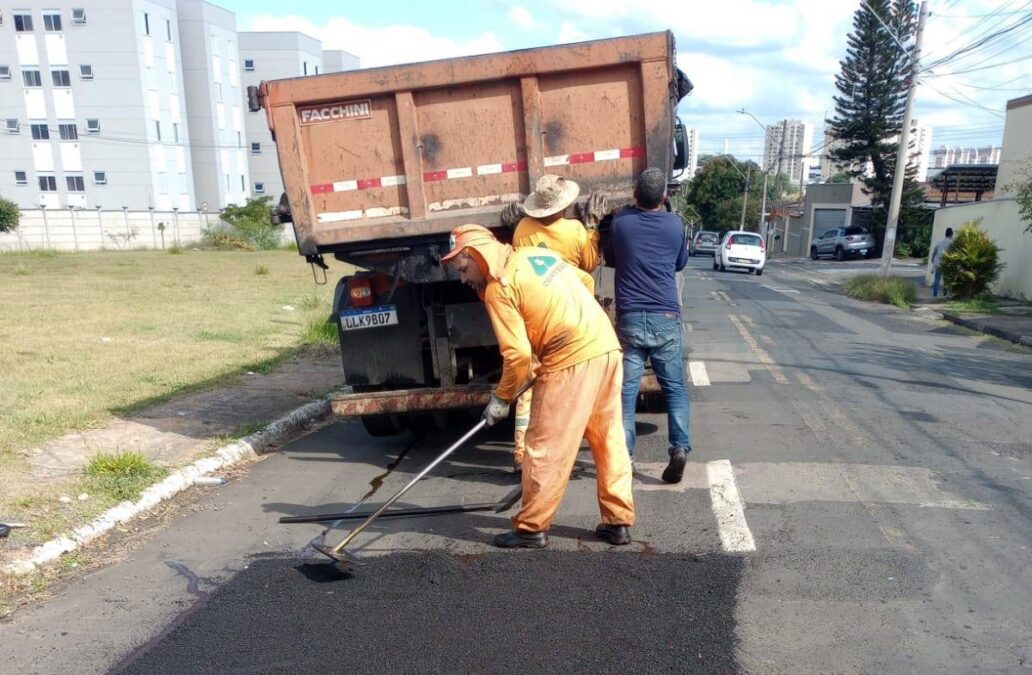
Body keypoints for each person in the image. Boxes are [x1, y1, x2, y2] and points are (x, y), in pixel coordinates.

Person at [441, 224, 635, 548]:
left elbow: (516, 356)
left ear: (476, 255)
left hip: (571, 359)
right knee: (608, 439)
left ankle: (531, 527)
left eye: (463, 269)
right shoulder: (534, 257)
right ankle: (618, 522)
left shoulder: (499, 288)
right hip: (606, 347)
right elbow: (585, 281)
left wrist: (501, 399)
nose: (463, 279)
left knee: (545, 445)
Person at [502, 175, 606, 475]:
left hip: (536, 315)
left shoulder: (521, 229)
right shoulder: (574, 230)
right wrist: (592, 225)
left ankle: (522, 454)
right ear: (565, 205)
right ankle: (566, 451)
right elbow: (589, 262)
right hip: (573, 317)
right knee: (571, 386)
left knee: (528, 386)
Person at [605, 167, 691, 484]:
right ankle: (679, 448)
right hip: (666, 316)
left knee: (626, 393)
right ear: (664, 198)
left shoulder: (621, 224)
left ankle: (626, 456)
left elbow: (611, 259)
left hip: (630, 317)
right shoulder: (675, 224)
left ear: (634, 194)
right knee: (675, 390)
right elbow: (680, 263)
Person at [931, 227, 954, 298]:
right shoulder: (952, 243)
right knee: (946, 279)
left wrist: (932, 260)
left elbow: (934, 252)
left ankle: (935, 295)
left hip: (938, 263)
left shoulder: (939, 243)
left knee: (937, 279)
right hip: (946, 263)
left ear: (945, 234)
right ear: (951, 235)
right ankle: (945, 294)